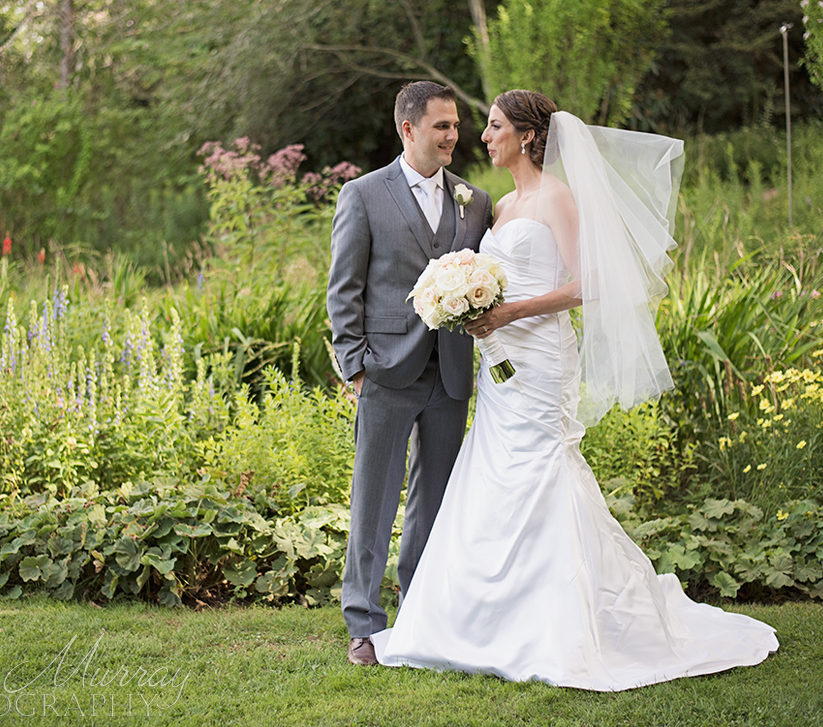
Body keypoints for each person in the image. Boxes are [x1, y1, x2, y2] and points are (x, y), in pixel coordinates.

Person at [369, 90, 779, 690]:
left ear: (527, 136)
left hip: (542, 359)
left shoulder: (557, 197)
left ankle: (563, 622)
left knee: (544, 468)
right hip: (502, 365)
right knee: (495, 470)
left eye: (495, 126)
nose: (484, 136)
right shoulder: (500, 205)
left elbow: (589, 283)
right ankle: (479, 621)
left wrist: (512, 312)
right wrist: (469, 306)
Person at [327, 81, 494, 666]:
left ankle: (419, 616)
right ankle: (364, 624)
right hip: (385, 373)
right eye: (442, 126)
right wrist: (356, 368)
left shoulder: (475, 201)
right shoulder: (363, 195)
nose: (453, 136)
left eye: (456, 126)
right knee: (373, 501)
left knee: (435, 502)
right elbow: (343, 290)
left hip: (450, 375)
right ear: (408, 129)